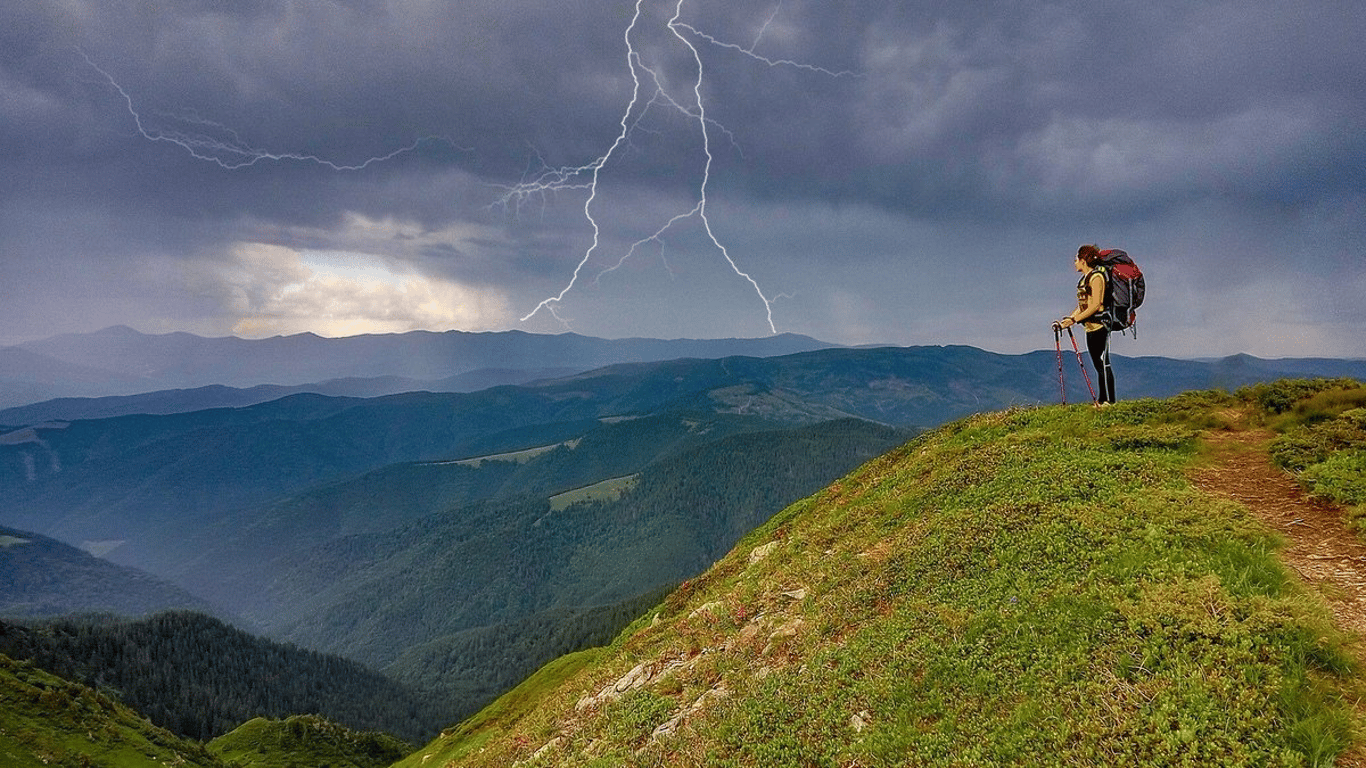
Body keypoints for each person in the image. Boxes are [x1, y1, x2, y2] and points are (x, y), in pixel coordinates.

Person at [1057, 244, 1115, 404]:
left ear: (1083, 260)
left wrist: (1074, 320)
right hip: (1090, 328)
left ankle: (1109, 402)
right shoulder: (1084, 280)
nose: (1074, 262)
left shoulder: (1097, 278)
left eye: (1076, 259)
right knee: (1098, 365)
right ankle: (1103, 400)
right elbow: (1083, 306)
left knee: (1104, 364)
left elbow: (1096, 305)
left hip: (1100, 327)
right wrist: (1067, 321)